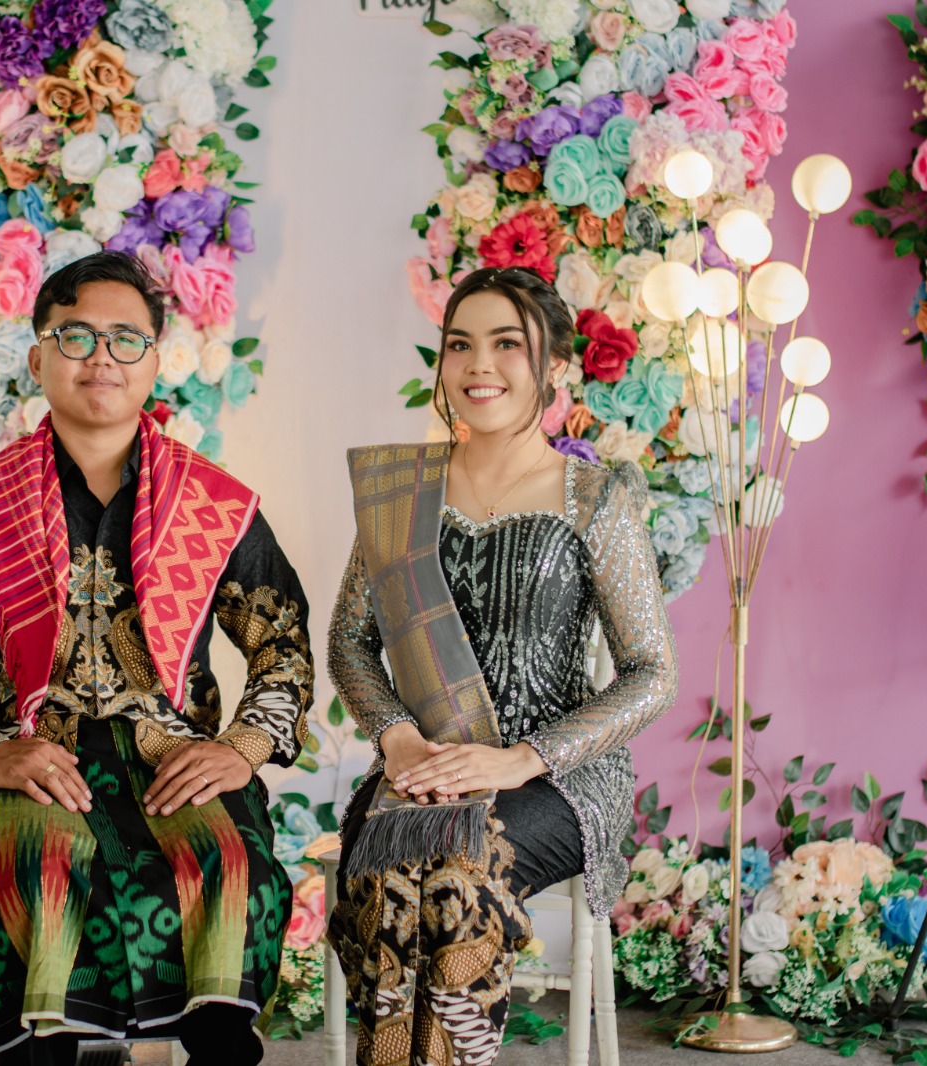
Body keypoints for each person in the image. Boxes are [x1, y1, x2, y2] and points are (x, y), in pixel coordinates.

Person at [0, 251, 313, 1066]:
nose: (101, 356)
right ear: (38, 358)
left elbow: (283, 644)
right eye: (76, 336)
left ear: (155, 362)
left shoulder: (214, 504)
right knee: (41, 863)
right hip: (39, 760)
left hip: (175, 760)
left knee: (226, 859)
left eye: (125, 339)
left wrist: (239, 749)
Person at [326, 266, 678, 1066]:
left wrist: (521, 758)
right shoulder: (402, 493)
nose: (478, 365)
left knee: (458, 872)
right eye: (460, 345)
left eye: (506, 344)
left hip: (556, 775)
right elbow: (350, 640)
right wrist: (398, 740)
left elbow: (651, 671)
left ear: (554, 365)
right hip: (424, 761)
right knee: (389, 875)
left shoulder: (594, 497)